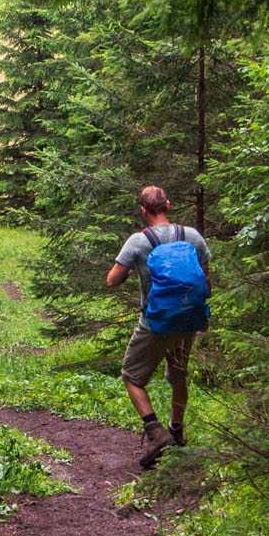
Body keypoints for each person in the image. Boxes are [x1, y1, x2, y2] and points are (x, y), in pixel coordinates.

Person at [106, 185, 211, 468]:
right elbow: (205, 279)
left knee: (131, 376)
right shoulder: (192, 237)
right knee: (178, 376)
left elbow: (112, 280)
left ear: (143, 210)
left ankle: (155, 433)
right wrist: (203, 317)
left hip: (155, 323)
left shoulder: (137, 242)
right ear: (168, 204)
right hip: (188, 319)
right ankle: (177, 431)